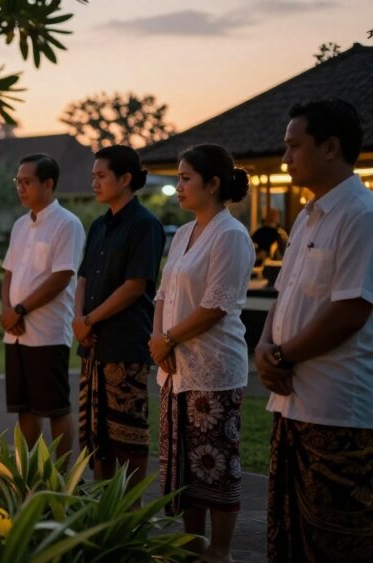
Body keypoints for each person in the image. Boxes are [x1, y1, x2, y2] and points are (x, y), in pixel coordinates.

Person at [256, 99, 373, 560]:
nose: (285, 159)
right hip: (292, 402)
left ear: (329, 147)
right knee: (292, 532)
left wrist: (282, 356)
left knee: (337, 539)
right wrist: (265, 348)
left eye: (293, 146)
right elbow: (284, 295)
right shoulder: (307, 215)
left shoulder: (361, 216)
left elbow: (351, 310)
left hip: (336, 406)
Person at [150, 145, 253, 563]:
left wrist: (169, 338)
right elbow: (162, 292)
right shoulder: (182, 234)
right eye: (177, 178)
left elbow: (216, 305)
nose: (178, 187)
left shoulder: (230, 235)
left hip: (212, 368)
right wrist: (159, 340)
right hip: (174, 367)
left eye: (186, 178)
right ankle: (193, 546)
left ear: (212, 184)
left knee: (216, 463)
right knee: (183, 467)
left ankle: (222, 551)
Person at [74, 145, 165, 489]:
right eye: (93, 176)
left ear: (125, 178)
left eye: (101, 176)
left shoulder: (145, 225)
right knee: (94, 431)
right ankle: (103, 506)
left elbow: (135, 285)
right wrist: (79, 320)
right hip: (92, 343)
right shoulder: (99, 225)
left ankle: (130, 510)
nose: (94, 183)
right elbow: (83, 276)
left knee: (127, 432)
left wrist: (90, 319)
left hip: (125, 343)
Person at [0, 154, 85, 459]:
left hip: (47, 332)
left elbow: (62, 276)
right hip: (17, 333)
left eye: (27, 182)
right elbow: (9, 271)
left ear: (48, 184)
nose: (20, 188)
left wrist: (19, 309)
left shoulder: (67, 224)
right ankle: (31, 469)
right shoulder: (21, 224)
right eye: (18, 182)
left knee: (54, 407)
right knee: (24, 406)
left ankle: (59, 474)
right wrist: (7, 310)